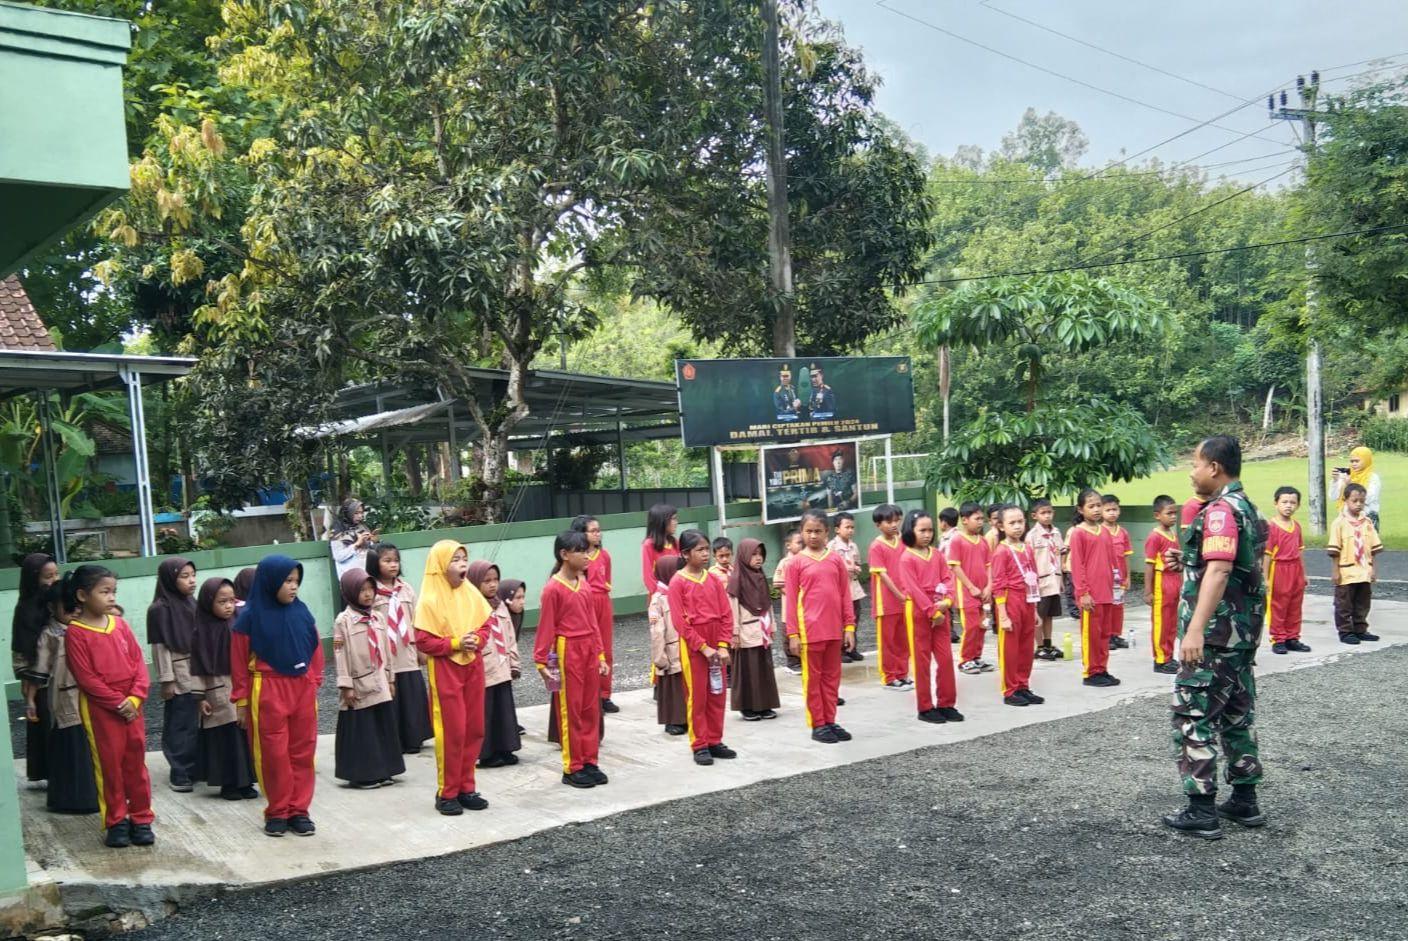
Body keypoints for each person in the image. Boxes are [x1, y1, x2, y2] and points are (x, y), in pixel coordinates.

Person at [1164, 435, 1269, 840]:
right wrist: (1189, 560)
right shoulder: (1248, 508)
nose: (1191, 472)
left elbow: (1222, 570)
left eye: (1195, 464)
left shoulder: (1221, 511)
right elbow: (1234, 565)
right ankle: (1245, 799)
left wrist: (1194, 630)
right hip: (1241, 636)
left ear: (1214, 467)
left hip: (1214, 637)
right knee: (1237, 715)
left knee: (1194, 715)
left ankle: (1201, 808)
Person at [61, 565, 156, 848]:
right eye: (105, 592)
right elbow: (86, 678)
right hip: (101, 710)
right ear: (82, 595)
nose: (112, 597)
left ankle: (141, 818)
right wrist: (117, 702)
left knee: (136, 763)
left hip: (132, 706)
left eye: (114, 591)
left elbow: (139, 664)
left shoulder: (120, 625)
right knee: (109, 766)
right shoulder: (76, 633)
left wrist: (135, 698)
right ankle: (116, 821)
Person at [232, 555, 324, 837]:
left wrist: (314, 680)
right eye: (287, 581)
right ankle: (278, 811)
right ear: (270, 581)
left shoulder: (302, 612)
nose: (293, 587)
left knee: (303, 751)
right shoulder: (249, 617)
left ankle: (299, 810)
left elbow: (314, 647)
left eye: (296, 581)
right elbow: (238, 662)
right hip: (267, 689)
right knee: (273, 753)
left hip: (302, 688)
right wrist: (242, 701)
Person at [415, 540, 492, 814]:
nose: (462, 564)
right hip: (445, 668)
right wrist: (456, 643)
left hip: (473, 665)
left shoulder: (471, 592)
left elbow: (486, 625)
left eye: (464, 558)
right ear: (439, 565)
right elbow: (423, 641)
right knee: (452, 731)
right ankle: (447, 792)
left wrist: (477, 640)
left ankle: (466, 787)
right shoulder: (429, 600)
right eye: (455, 559)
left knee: (474, 728)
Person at [535, 530, 610, 788]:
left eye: (588, 550)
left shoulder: (584, 584)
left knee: (590, 708)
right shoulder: (552, 589)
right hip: (568, 649)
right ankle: (573, 767)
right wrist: (541, 661)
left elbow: (593, 622)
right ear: (564, 554)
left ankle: (590, 760)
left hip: (588, 647)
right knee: (571, 709)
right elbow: (546, 626)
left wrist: (600, 654)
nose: (588, 556)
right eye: (581, 551)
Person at [785, 509, 857, 743]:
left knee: (832, 678)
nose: (813, 536)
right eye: (808, 531)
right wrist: (793, 634)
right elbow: (790, 601)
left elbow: (845, 594)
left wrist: (849, 627)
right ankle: (818, 724)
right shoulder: (795, 563)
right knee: (813, 680)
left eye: (818, 531)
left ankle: (830, 719)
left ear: (827, 532)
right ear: (802, 532)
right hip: (809, 632)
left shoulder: (835, 559)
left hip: (833, 630)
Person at [669, 530, 737, 766]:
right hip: (693, 648)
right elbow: (680, 622)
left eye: (707, 549)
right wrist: (703, 647)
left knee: (717, 692)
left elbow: (726, 614)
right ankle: (699, 744)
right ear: (686, 554)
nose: (706, 554)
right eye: (700, 550)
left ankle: (715, 740)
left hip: (716, 641)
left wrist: (723, 645)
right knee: (697, 696)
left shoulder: (713, 580)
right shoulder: (677, 582)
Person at [333, 568, 404, 789]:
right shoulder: (343, 621)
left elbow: (386, 650)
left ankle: (385, 769)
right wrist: (346, 685)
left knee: (382, 727)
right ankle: (364, 775)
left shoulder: (377, 617)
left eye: (370, 589)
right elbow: (340, 655)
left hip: (379, 682)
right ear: (350, 592)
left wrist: (390, 678)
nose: (367, 594)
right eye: (361, 590)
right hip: (359, 684)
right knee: (364, 732)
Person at [32, 586, 99, 815]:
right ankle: (72, 799)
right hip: (65, 698)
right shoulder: (50, 634)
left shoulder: (86, 628)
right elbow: (40, 671)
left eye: (77, 606)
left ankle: (96, 795)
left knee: (92, 746)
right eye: (68, 607)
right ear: (52, 608)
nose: (75, 611)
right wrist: (31, 700)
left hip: (90, 696)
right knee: (71, 746)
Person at [190, 577, 258, 800]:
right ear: (208, 602)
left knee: (245, 736)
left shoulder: (239, 624)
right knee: (224, 740)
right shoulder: (201, 631)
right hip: (217, 691)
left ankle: (247, 781)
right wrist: (200, 697)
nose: (229, 606)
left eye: (232, 600)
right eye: (222, 602)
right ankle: (229, 784)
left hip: (241, 686)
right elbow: (197, 667)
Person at [365, 543, 432, 754]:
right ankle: (393, 739)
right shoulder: (371, 592)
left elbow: (417, 620)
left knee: (411, 695)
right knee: (390, 694)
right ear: (374, 563)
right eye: (387, 561)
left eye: (395, 560)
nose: (393, 565)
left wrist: (421, 649)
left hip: (407, 650)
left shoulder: (406, 589)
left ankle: (414, 737)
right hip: (385, 652)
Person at [898, 509, 962, 724]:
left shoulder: (936, 554)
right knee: (921, 661)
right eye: (922, 530)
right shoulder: (907, 558)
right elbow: (914, 589)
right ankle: (925, 707)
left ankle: (946, 703)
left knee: (945, 659)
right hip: (919, 613)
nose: (927, 535)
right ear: (910, 530)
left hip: (940, 610)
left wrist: (947, 602)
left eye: (930, 530)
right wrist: (932, 611)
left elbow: (948, 579)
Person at [147, 557, 201, 793]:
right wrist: (167, 679)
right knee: (181, 723)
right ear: (170, 579)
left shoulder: (191, 602)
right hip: (179, 673)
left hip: (198, 670)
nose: (192, 581)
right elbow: (159, 647)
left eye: (193, 575)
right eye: (184, 576)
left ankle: (195, 767)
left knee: (199, 721)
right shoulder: (159, 609)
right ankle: (179, 771)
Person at [990, 506, 1045, 708]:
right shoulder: (1001, 551)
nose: (1017, 526)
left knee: (1026, 647)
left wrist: (1035, 609)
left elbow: (1033, 578)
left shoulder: (1027, 548)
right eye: (1012, 523)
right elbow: (998, 585)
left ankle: (1023, 685)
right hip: (1010, 600)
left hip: (1028, 600)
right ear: (1001, 526)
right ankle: (1010, 689)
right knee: (1010, 648)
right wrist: (1003, 615)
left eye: (1020, 522)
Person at [469, 561, 522, 769]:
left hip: (502, 665)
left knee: (504, 709)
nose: (492, 585)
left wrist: (514, 662)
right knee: (486, 711)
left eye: (495, 580)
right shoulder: (471, 606)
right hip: (485, 667)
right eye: (486, 581)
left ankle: (505, 748)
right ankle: (487, 753)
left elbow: (509, 635)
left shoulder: (500, 605)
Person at [12, 552, 59, 787]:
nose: (54, 580)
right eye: (48, 576)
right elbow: (21, 649)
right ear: (34, 579)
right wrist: (28, 688)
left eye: (56, 574)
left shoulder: (59, 602)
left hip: (64, 674)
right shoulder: (25, 609)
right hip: (39, 680)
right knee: (46, 727)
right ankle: (52, 776)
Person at [1068, 488, 1120, 688]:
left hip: (1106, 591)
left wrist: (1117, 582)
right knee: (1091, 634)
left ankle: (1102, 668)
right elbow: (1077, 565)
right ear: (1081, 509)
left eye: (1099, 505)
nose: (1096, 510)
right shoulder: (1078, 533)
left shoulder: (1104, 531)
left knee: (1104, 633)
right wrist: (1083, 592)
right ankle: (1091, 671)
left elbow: (1112, 560)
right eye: (1091, 506)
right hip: (1090, 594)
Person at [727, 538, 780, 721]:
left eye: (760, 554)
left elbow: (767, 603)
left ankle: (764, 704)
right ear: (743, 556)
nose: (758, 558)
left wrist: (772, 625)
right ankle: (747, 706)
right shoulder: (736, 579)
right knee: (748, 670)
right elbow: (732, 609)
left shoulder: (760, 576)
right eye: (753, 554)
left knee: (763, 668)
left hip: (762, 630)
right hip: (745, 632)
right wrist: (734, 633)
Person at [570, 515, 619, 715]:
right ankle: (590, 696)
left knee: (605, 649)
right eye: (593, 531)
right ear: (581, 534)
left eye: (599, 530)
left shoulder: (604, 555)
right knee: (588, 648)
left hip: (603, 602)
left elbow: (607, 581)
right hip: (585, 603)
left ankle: (604, 695)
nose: (598, 534)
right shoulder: (576, 558)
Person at [1327, 482, 1384, 645]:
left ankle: (1360, 628)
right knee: (1344, 603)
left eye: (1362, 501)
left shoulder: (1367, 523)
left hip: (1364, 570)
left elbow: (1373, 549)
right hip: (1346, 572)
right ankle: (1345, 631)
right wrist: (1335, 571)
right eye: (1354, 500)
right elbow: (1335, 550)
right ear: (1346, 500)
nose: (1358, 504)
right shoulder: (1339, 523)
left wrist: (1373, 570)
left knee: (1363, 602)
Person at [868, 503, 911, 690]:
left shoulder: (903, 541)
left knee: (903, 639)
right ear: (878, 525)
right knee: (888, 642)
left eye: (896, 520)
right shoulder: (876, 546)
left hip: (904, 600)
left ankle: (902, 673)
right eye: (888, 522)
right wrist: (899, 594)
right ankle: (889, 676)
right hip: (885, 603)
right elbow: (883, 575)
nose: (894, 525)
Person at [1264, 486, 1311, 656]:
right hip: (1279, 569)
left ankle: (1292, 637)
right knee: (1278, 605)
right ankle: (1278, 639)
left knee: (1295, 605)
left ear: (1297, 505)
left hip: (1295, 568)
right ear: (1276, 503)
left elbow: (1300, 551)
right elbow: (1267, 555)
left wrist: (1303, 574)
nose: (1288, 505)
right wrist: (1265, 578)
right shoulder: (1271, 527)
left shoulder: (1296, 526)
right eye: (1284, 502)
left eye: (1292, 502)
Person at [948, 503, 994, 675]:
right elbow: (955, 566)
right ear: (965, 520)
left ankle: (976, 657)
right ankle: (965, 660)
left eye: (982, 518)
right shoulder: (957, 540)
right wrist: (971, 586)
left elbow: (989, 565)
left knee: (983, 625)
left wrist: (989, 586)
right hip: (967, 593)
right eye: (977, 518)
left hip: (984, 593)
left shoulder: (983, 541)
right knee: (971, 626)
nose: (981, 522)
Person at [648, 556, 688, 735]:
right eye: (677, 571)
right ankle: (673, 721)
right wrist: (660, 658)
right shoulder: (658, 599)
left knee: (683, 686)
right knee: (671, 688)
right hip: (669, 651)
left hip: (684, 648)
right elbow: (656, 632)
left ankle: (685, 718)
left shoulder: (680, 592)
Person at [1143, 496, 1183, 674]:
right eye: (1169, 513)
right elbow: (1149, 565)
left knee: (1171, 622)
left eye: (1175, 513)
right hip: (1162, 581)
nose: (1173, 517)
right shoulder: (1154, 537)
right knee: (1161, 622)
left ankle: (1168, 655)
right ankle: (1160, 659)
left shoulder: (1173, 535)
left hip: (1174, 581)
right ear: (1157, 515)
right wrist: (1148, 591)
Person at [1025, 499, 1065, 661]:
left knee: (1049, 614)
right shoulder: (1032, 536)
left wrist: (1061, 580)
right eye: (1043, 513)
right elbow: (1028, 561)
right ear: (1034, 516)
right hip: (1040, 582)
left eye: (1049, 512)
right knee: (1039, 616)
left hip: (1054, 580)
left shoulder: (1056, 532)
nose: (1047, 516)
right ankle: (1040, 646)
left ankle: (1048, 644)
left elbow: (1059, 555)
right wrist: (1031, 584)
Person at [827, 512, 867, 663]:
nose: (850, 530)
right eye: (847, 527)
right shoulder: (831, 546)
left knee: (854, 617)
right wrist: (843, 569)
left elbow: (857, 562)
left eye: (852, 527)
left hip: (853, 589)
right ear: (837, 529)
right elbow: (828, 567)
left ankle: (852, 648)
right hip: (838, 589)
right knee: (839, 620)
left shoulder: (853, 546)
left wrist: (856, 568)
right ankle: (840, 650)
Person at [1101, 496, 1133, 649]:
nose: (1112, 513)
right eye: (1108, 510)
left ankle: (1115, 634)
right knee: (1106, 607)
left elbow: (1126, 556)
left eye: (1114, 509)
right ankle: (1106, 636)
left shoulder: (1123, 533)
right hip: (1104, 577)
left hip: (1119, 577)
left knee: (1118, 606)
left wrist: (1128, 577)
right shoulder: (1099, 531)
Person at [774, 530, 804, 675]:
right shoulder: (785, 562)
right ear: (788, 545)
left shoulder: (804, 559)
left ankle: (803, 659)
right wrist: (791, 591)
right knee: (788, 633)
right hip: (789, 605)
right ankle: (793, 662)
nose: (801, 545)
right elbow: (777, 581)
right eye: (798, 542)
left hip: (803, 605)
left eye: (802, 542)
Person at [1331, 445, 1381, 530]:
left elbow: (1368, 499)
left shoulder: (1373, 478)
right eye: (1352, 461)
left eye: (1357, 461)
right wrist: (1335, 481)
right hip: (1346, 519)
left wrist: (1351, 486)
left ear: (1366, 460)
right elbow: (1333, 496)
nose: (1354, 464)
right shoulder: (1347, 476)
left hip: (1367, 518)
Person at [328, 498, 378, 579]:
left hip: (366, 575)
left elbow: (368, 552)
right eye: (356, 513)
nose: (360, 516)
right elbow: (338, 556)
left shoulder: (362, 527)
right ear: (348, 512)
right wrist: (357, 544)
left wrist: (372, 541)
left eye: (361, 513)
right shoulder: (337, 530)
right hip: (350, 578)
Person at [640, 503, 680, 594]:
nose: (676, 522)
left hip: (677, 592)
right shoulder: (648, 545)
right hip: (660, 596)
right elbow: (648, 577)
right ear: (662, 521)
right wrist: (661, 594)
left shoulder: (675, 542)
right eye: (673, 519)